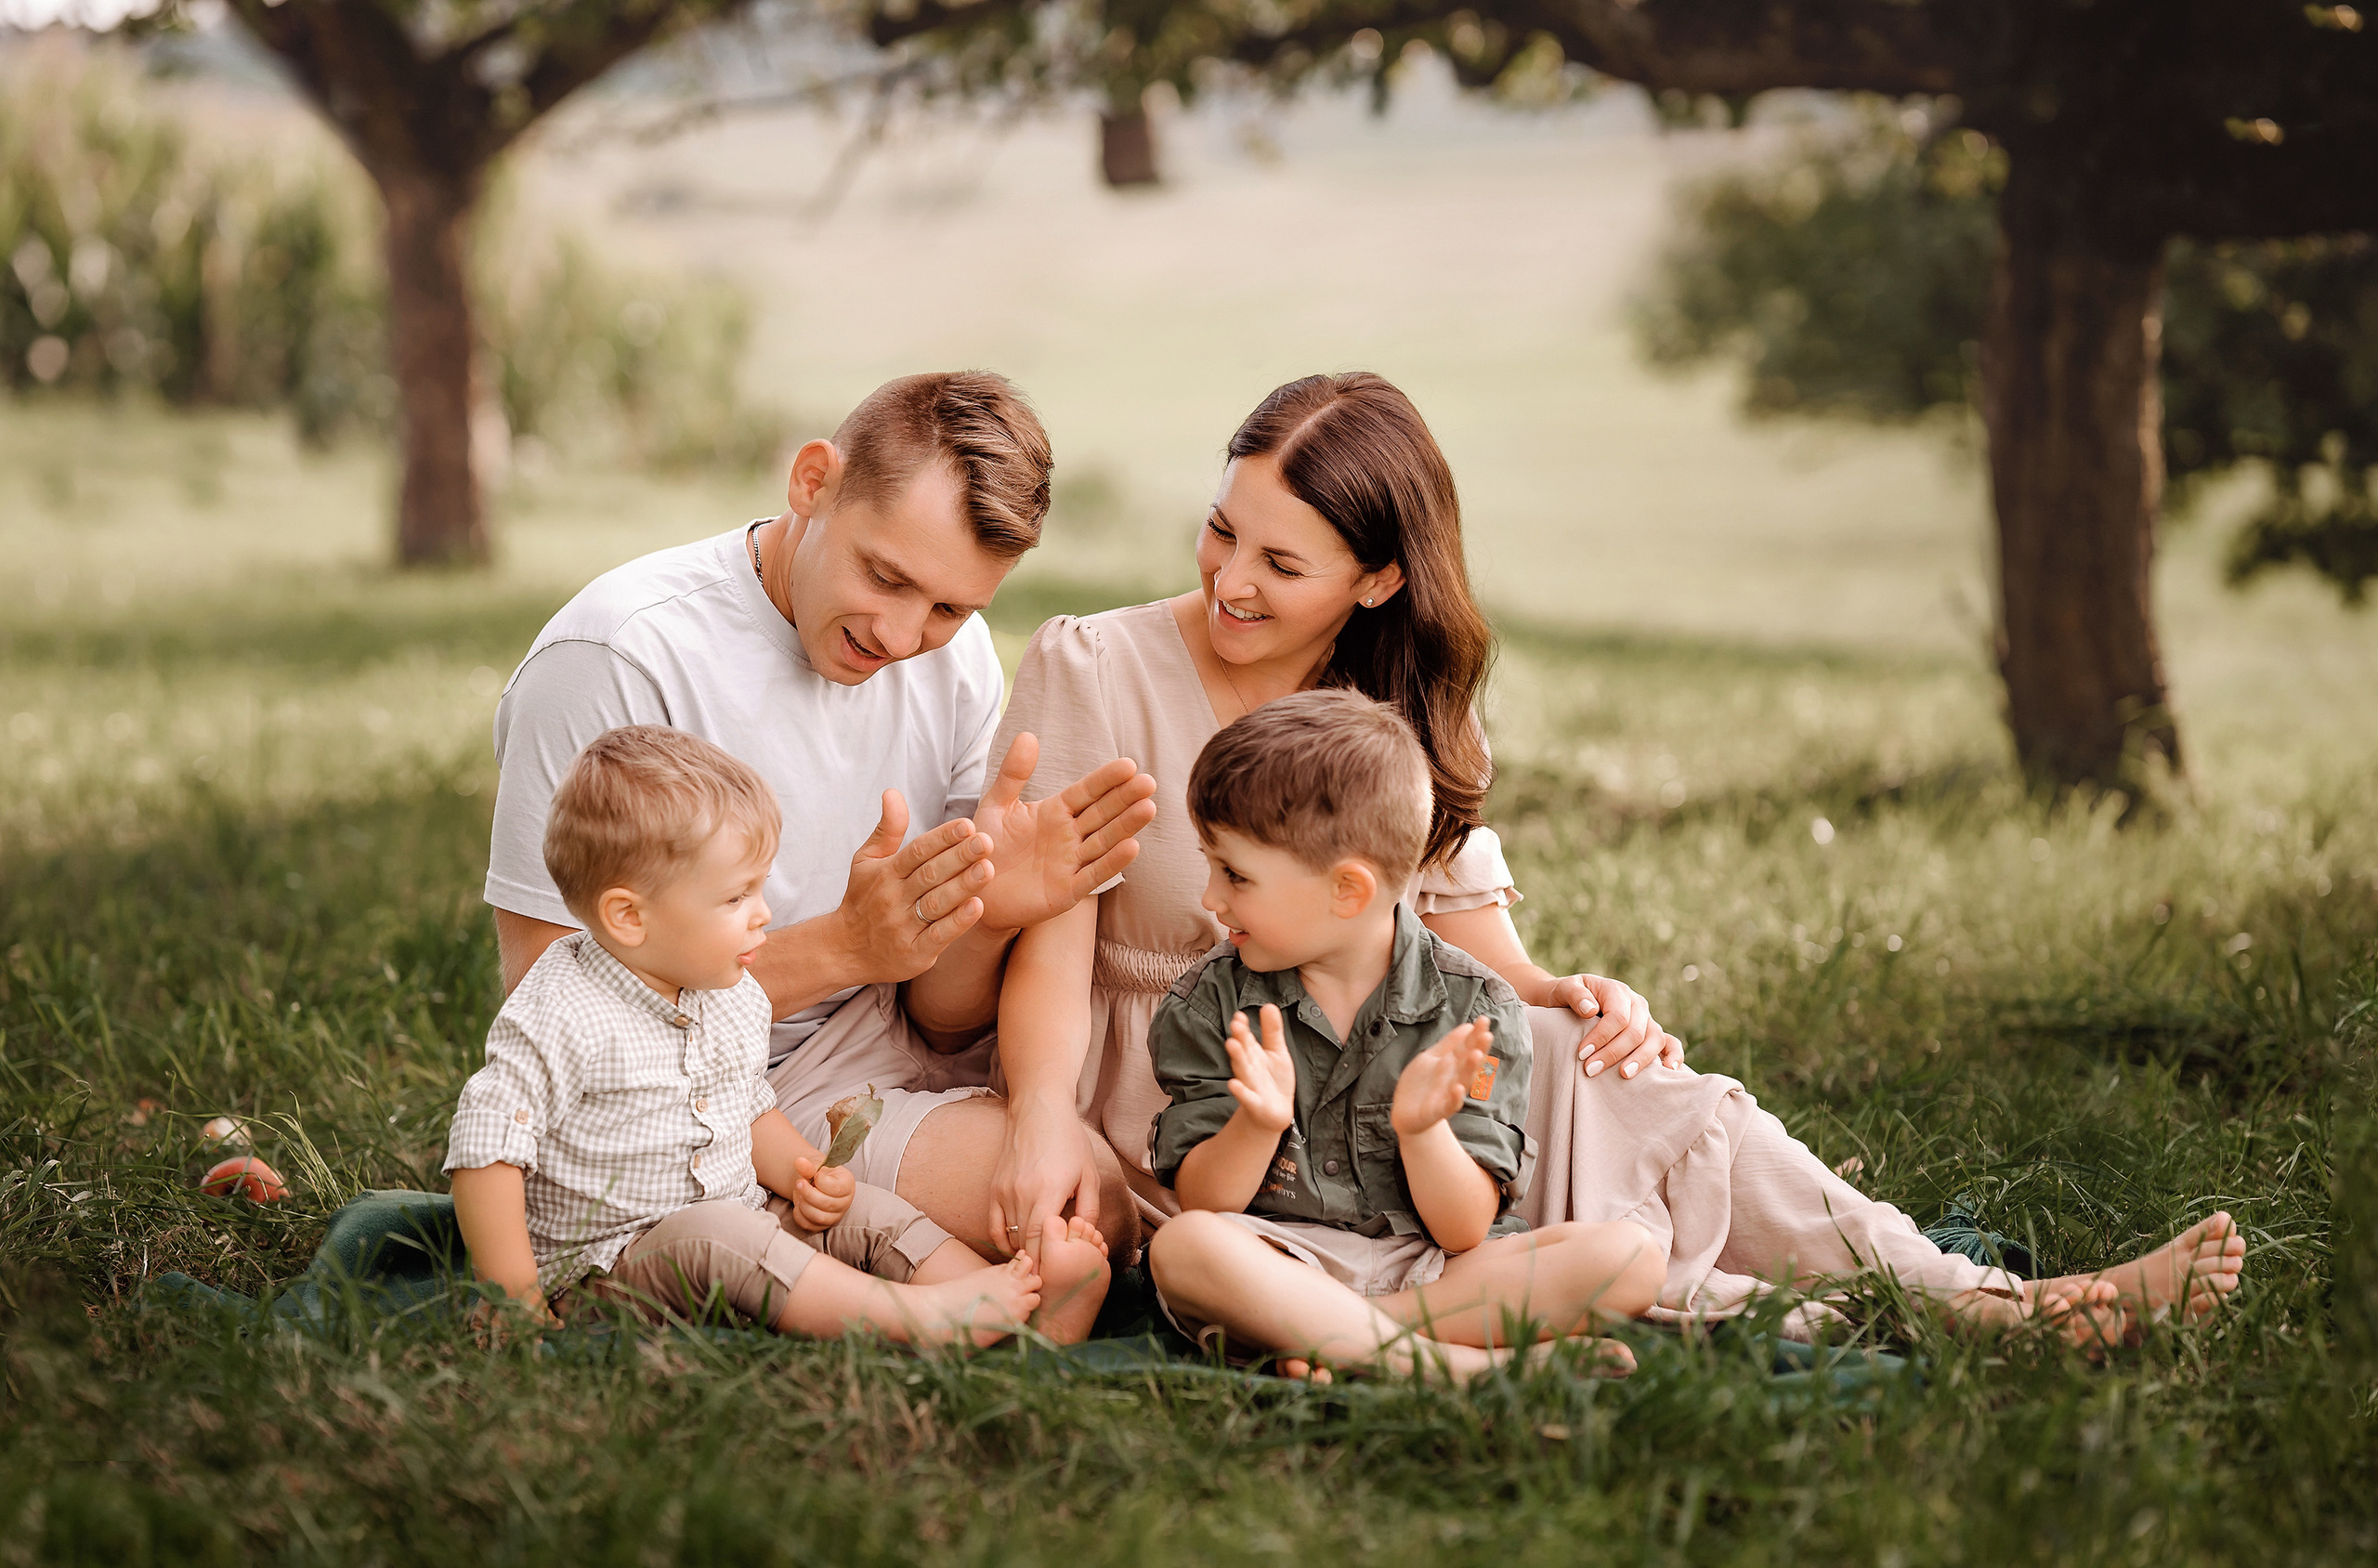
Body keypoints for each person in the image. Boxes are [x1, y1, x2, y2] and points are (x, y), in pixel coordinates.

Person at [987, 371, 2244, 1344]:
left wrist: (1572, 997)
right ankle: (1881, 1312)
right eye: (1222, 531)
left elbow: (1464, 951)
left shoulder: (1408, 709)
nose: (1229, 580)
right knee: (1549, 1199)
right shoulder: (1095, 666)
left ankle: (1975, 1299)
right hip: (1200, 1100)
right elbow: (1053, 931)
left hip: (1385, 1061)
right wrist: (1046, 1120)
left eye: (1281, 561)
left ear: (1376, 580)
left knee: (1620, 1069)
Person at [484, 372, 1156, 1269]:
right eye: (885, 575)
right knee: (1052, 1228)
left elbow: (939, 1018)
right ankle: (759, 1221)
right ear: (812, 482)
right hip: (682, 1084)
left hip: (883, 1052)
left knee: (1093, 1204)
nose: (903, 635)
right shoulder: (618, 656)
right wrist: (845, 946)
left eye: (952, 608)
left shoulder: (955, 671)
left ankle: (820, 1231)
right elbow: (545, 991)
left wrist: (985, 915)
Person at [445, 725, 1111, 1344]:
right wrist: (513, 1296)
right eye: (736, 898)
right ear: (628, 916)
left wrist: (801, 1174)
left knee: (864, 1214)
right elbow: (487, 1147)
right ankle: (921, 1319)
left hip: (744, 1218)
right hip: (610, 1268)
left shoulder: (728, 991)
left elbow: (747, 1106)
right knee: (719, 1234)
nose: (764, 914)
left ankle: (1011, 1306)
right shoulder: (563, 1009)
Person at [1145, 692, 1664, 1379]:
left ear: (1348, 890)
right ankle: (1461, 1368)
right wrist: (1256, 1123)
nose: (1212, 898)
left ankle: (1337, 1339)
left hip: (1439, 1271)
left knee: (1631, 1258)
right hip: (1279, 1259)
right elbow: (1208, 1203)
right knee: (1184, 1249)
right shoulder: (1209, 1001)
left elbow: (1465, 1229)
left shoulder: (1479, 1009)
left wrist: (1423, 1133)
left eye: (1235, 874)